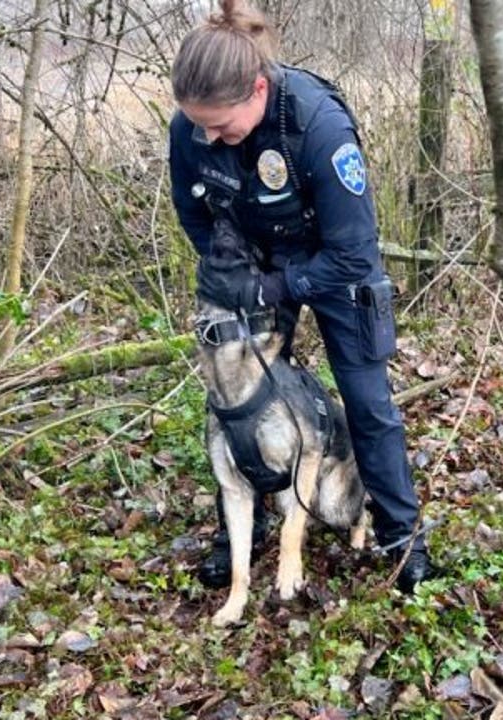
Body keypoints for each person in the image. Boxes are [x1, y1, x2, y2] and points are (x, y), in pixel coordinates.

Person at [167, 0, 437, 593]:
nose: (207, 135)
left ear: (257, 91)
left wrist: (276, 286)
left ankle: (402, 538)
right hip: (259, 261)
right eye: (198, 124)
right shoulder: (191, 127)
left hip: (336, 267)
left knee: (367, 404)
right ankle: (239, 529)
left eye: (220, 124)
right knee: (240, 396)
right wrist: (233, 270)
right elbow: (194, 214)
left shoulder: (318, 126)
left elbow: (351, 253)